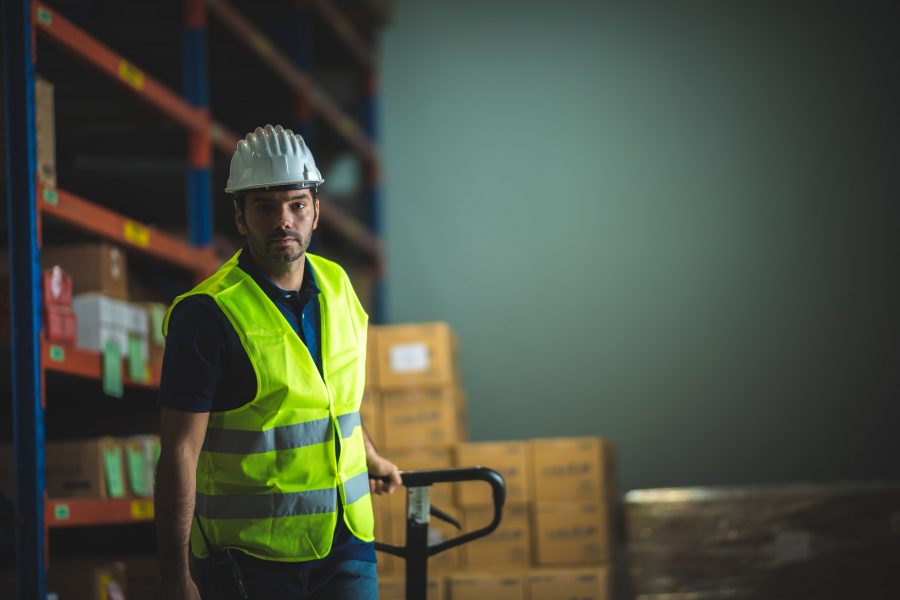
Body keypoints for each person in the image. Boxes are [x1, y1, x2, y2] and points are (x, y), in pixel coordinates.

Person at [155, 124, 401, 599]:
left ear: (315, 212)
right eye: (265, 207)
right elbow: (179, 452)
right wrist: (173, 574)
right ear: (242, 219)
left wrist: (369, 455)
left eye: (296, 204)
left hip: (346, 543)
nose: (283, 219)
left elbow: (333, 399)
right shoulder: (206, 314)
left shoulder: (338, 286)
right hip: (253, 562)